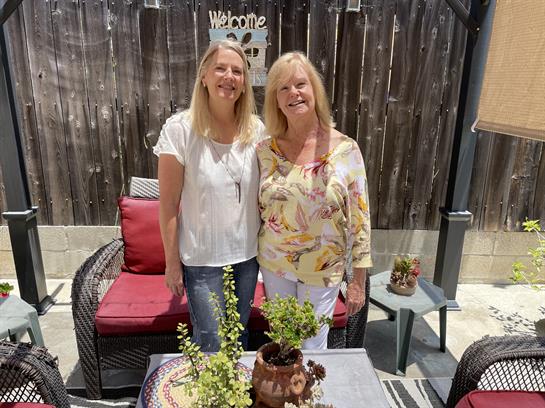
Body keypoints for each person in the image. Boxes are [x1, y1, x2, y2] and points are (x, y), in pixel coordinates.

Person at [153, 40, 265, 352]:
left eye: (237, 71)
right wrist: (172, 264)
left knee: (239, 338)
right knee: (211, 343)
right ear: (204, 75)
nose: (229, 76)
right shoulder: (179, 130)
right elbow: (168, 205)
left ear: (244, 83)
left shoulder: (256, 131)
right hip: (202, 262)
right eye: (220, 68)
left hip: (247, 258)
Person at [257, 52, 372, 349]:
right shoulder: (264, 151)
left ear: (314, 90)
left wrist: (358, 281)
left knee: (312, 348)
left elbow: (360, 220)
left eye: (300, 84)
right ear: (276, 100)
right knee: (283, 347)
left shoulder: (346, 149)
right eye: (283, 88)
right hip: (275, 264)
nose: (293, 93)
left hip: (322, 269)